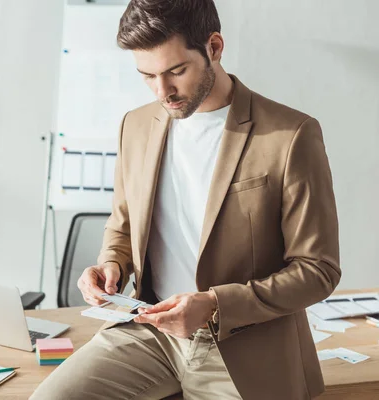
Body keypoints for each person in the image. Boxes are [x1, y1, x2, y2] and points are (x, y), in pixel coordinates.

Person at [31, 0, 340, 399]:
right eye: (147, 76)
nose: (164, 91)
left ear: (214, 47)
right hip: (150, 332)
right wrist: (111, 262)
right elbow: (123, 223)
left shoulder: (290, 135)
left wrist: (213, 304)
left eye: (176, 71)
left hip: (244, 345)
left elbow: (318, 270)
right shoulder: (136, 125)